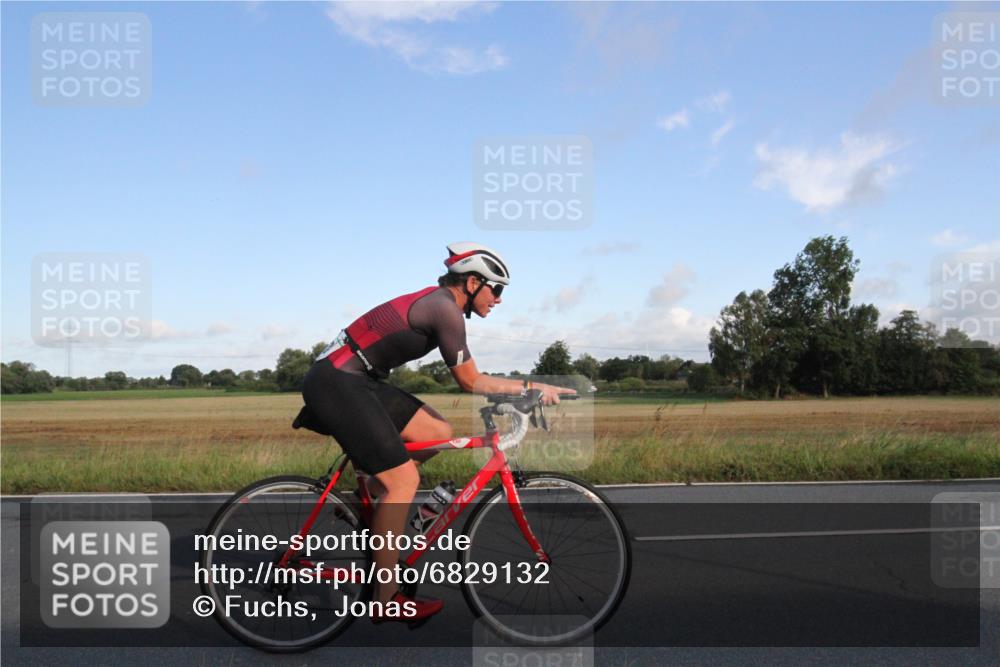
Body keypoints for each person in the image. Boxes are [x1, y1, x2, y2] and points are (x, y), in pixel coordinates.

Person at [301, 242, 576, 623]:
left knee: (436, 430)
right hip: (338, 382)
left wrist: (520, 391)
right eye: (497, 289)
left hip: (358, 379)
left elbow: (471, 379)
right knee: (404, 481)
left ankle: (372, 497)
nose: (499, 299)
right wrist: (532, 388)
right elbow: (470, 380)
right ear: (473, 283)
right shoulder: (443, 309)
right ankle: (386, 598)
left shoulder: (442, 304)